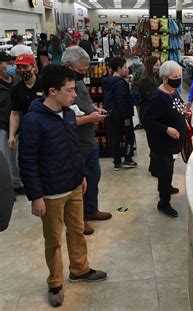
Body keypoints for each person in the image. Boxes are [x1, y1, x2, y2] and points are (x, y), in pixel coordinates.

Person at [19, 64, 107, 308]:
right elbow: (27, 161)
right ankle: (55, 281)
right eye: (69, 90)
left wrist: (81, 175)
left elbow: (73, 148)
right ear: (52, 91)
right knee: (53, 240)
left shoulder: (69, 114)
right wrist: (36, 196)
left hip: (74, 186)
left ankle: (80, 269)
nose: (74, 94)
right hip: (51, 193)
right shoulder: (33, 120)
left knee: (77, 231)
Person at [61, 46, 112, 235]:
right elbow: (63, 119)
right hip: (75, 144)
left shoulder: (77, 82)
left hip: (89, 141)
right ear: (68, 66)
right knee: (77, 185)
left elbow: (85, 102)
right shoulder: (58, 87)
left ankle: (91, 210)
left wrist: (94, 110)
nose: (83, 74)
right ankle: (78, 219)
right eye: (81, 71)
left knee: (93, 178)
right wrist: (89, 119)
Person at [142, 61, 187, 218]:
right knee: (165, 170)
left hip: (172, 143)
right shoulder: (158, 97)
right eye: (175, 77)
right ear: (165, 78)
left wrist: (184, 112)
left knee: (168, 168)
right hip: (162, 143)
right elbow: (147, 120)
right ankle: (163, 203)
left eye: (180, 76)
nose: (179, 79)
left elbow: (177, 106)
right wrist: (166, 129)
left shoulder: (172, 91)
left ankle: (167, 186)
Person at [102, 57, 137, 171]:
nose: (126, 69)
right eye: (125, 67)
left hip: (111, 114)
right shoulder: (120, 84)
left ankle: (117, 162)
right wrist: (126, 117)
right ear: (119, 68)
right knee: (129, 137)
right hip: (122, 115)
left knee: (115, 137)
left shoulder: (107, 81)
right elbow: (121, 100)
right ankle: (127, 159)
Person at [8, 54, 43, 154]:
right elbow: (15, 113)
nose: (22, 70)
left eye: (25, 67)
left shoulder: (44, 84)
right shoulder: (16, 89)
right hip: (28, 131)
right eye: (19, 67)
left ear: (33, 66)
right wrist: (12, 135)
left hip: (46, 129)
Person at [0, 52, 22, 195]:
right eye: (9, 64)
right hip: (1, 126)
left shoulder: (16, 82)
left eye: (13, 64)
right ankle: (7, 190)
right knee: (4, 159)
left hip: (17, 126)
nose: (12, 67)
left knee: (16, 157)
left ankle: (17, 183)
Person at [138, 56, 162, 177]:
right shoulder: (146, 79)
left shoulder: (153, 77)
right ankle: (155, 168)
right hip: (148, 114)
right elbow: (152, 97)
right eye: (156, 65)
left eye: (159, 65)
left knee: (155, 141)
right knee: (154, 142)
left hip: (151, 113)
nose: (158, 67)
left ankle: (153, 166)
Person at [128, 55, 145, 129]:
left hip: (141, 90)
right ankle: (140, 122)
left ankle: (143, 122)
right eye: (133, 58)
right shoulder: (131, 66)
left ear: (140, 58)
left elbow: (143, 81)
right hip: (134, 91)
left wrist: (134, 82)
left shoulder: (143, 68)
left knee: (142, 107)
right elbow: (128, 74)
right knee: (138, 107)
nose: (135, 59)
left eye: (136, 58)